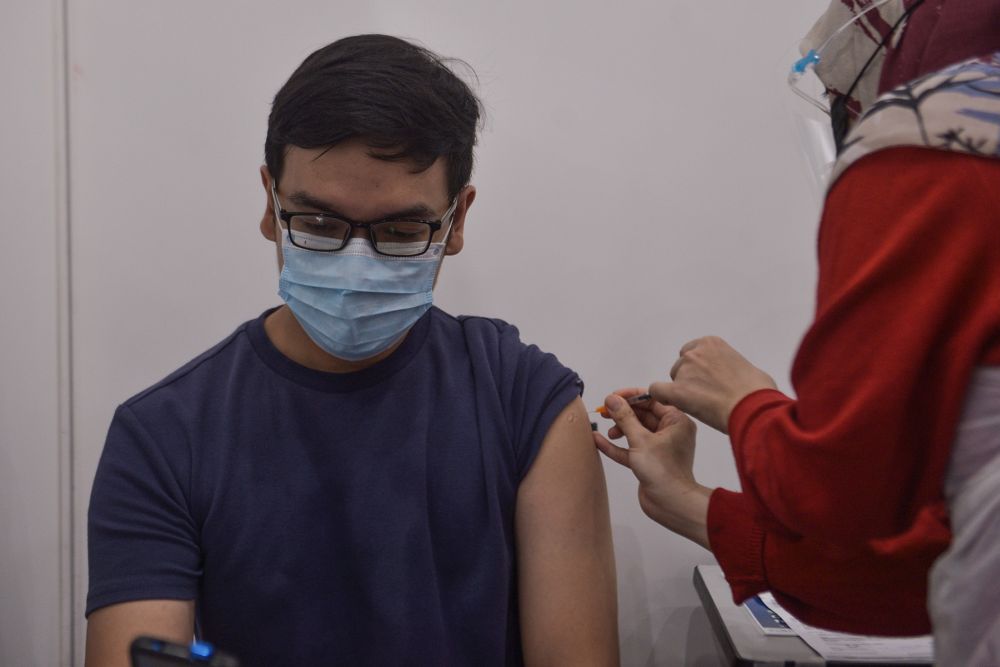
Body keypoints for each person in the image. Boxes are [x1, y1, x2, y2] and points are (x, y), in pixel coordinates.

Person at [85, 34, 618, 667]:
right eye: (316, 224)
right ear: (269, 202)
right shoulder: (165, 437)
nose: (356, 264)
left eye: (399, 230)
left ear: (458, 221)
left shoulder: (524, 402)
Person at [594, 1, 1000, 663]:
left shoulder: (934, 135)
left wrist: (746, 404)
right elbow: (944, 553)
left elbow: (844, 502)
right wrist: (693, 503)